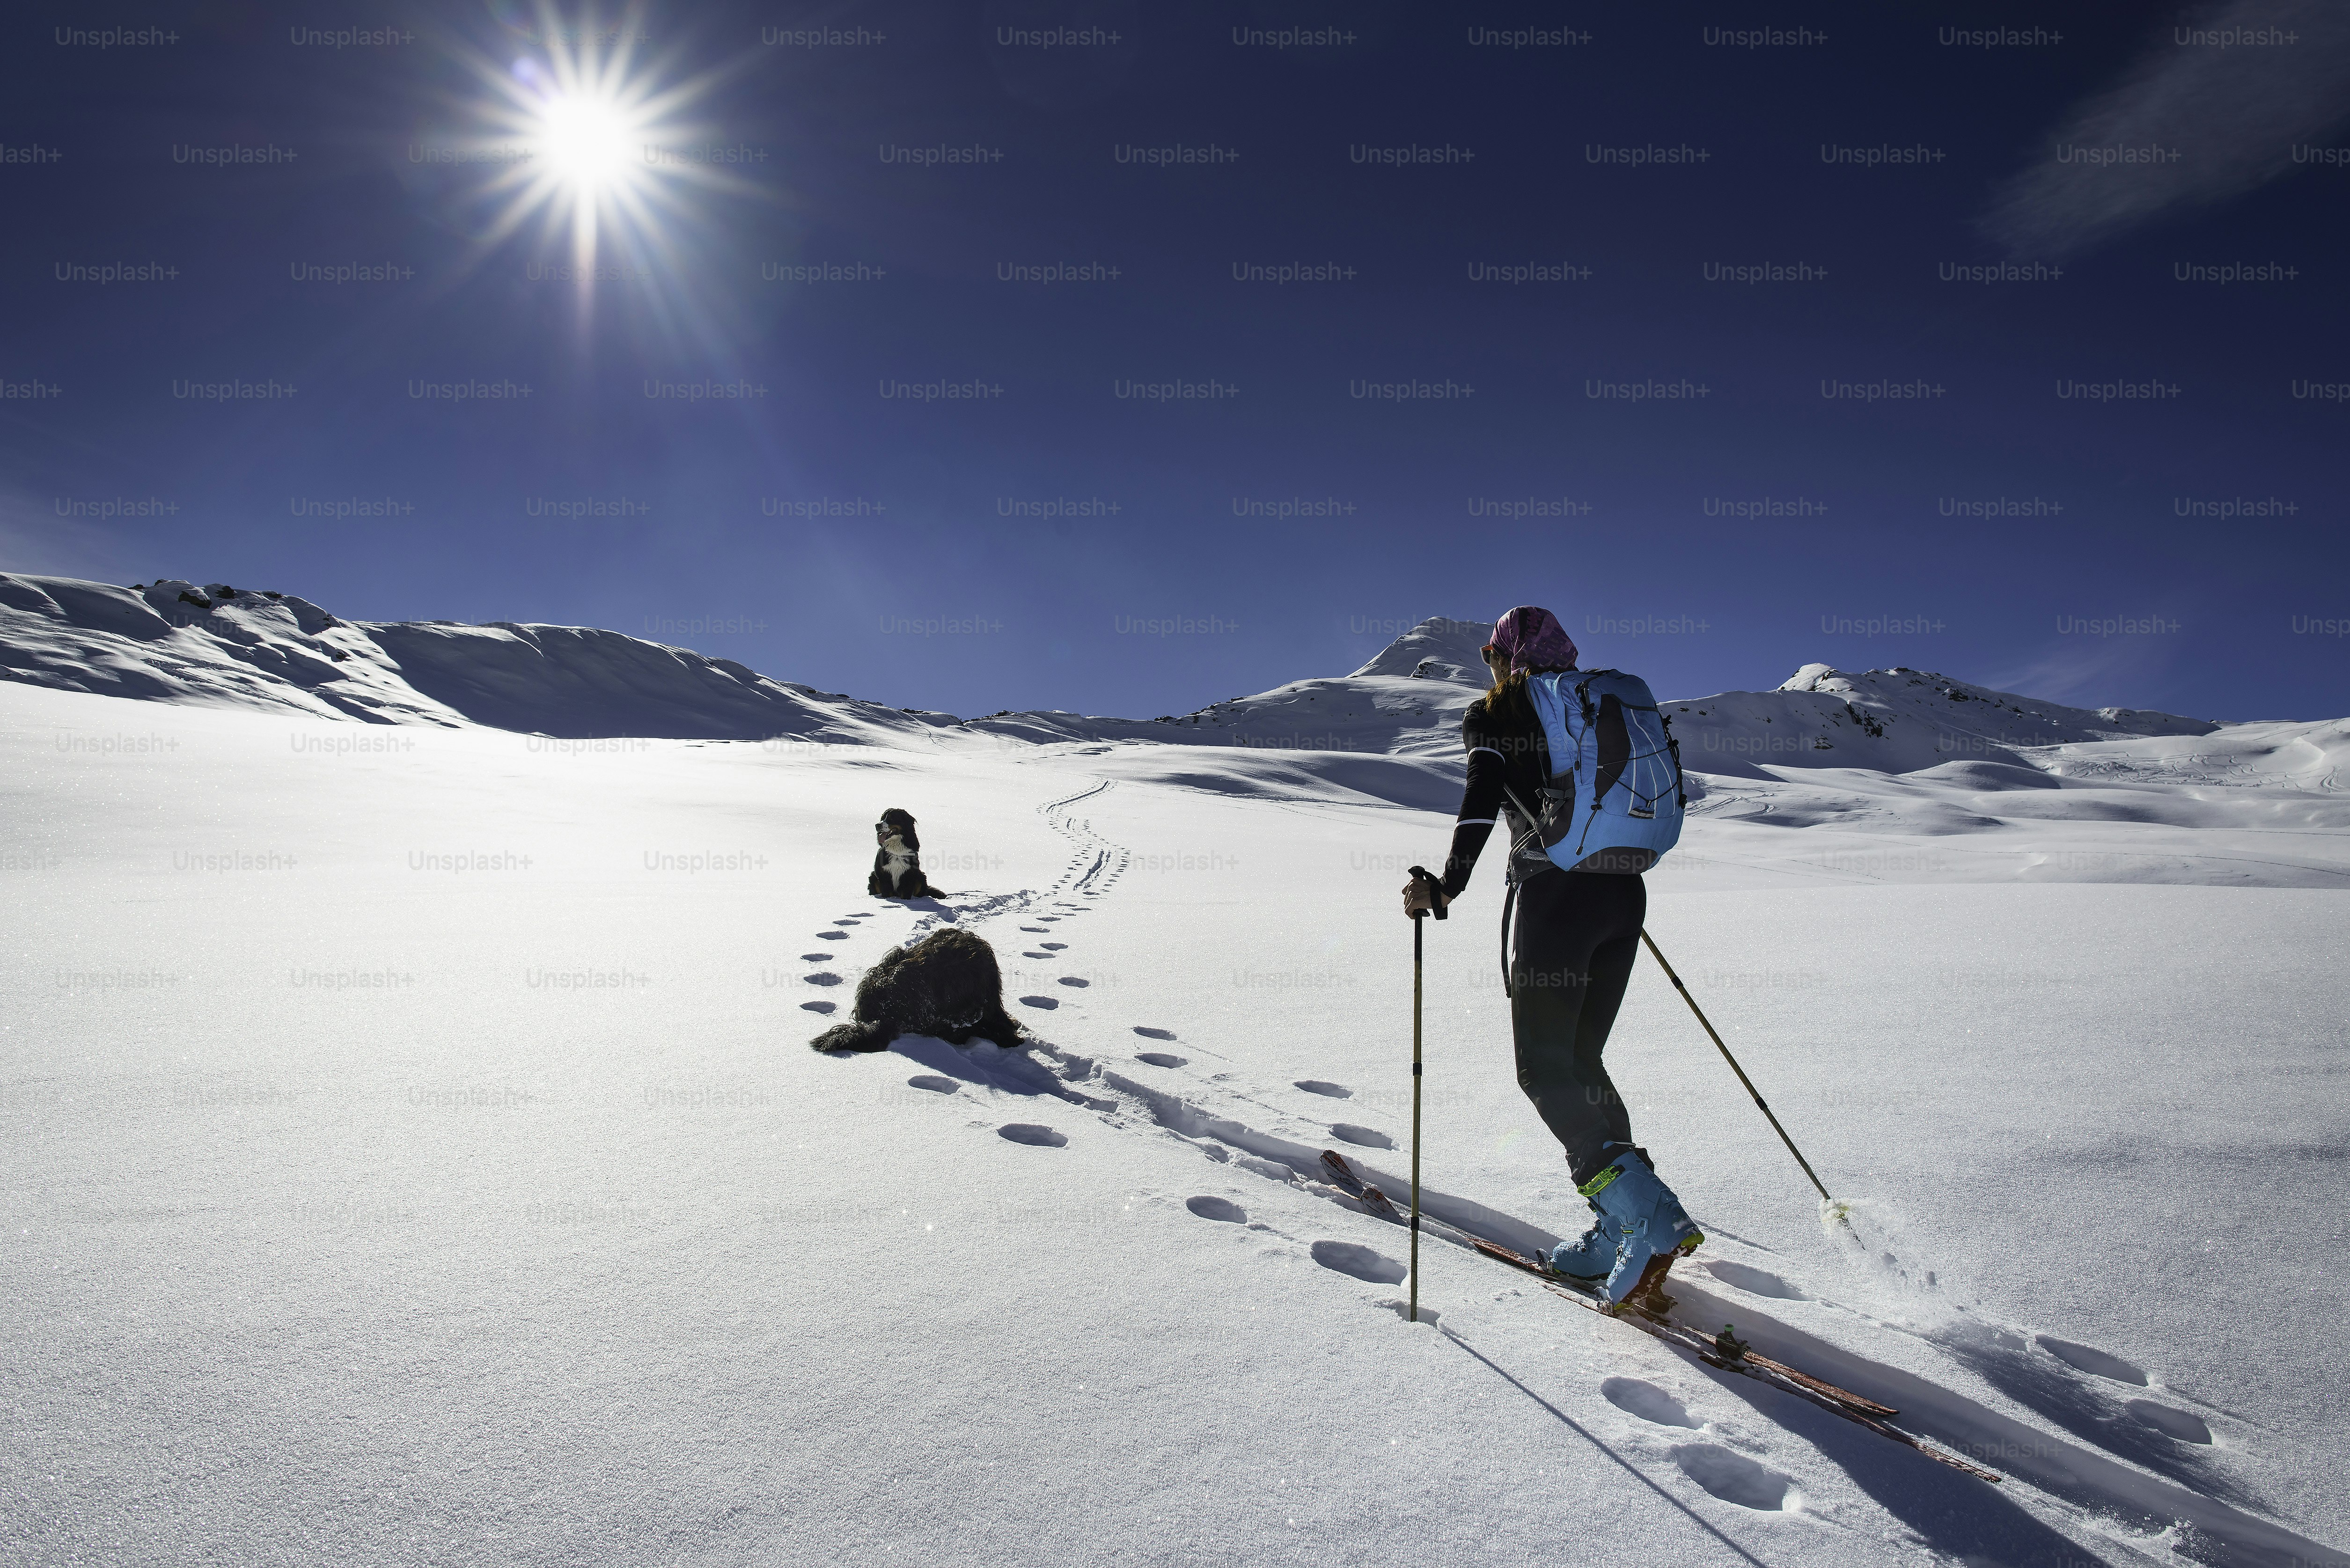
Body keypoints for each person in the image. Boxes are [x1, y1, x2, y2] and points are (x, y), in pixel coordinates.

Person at [1401, 606, 1702, 1304]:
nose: (1492, 670)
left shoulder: (1500, 712)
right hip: (1622, 896)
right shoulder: (1593, 707)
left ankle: (1647, 1215)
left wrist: (1446, 882)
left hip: (1555, 899)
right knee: (1582, 1062)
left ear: (1507, 658)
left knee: (1542, 1068)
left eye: (1493, 658)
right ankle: (1614, 1225)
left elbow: (1481, 794)